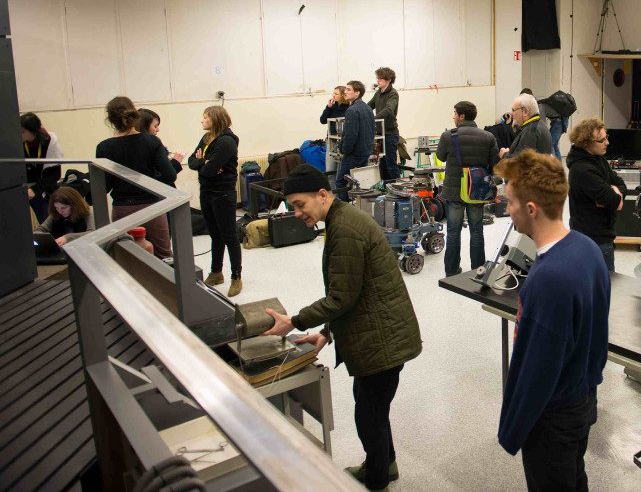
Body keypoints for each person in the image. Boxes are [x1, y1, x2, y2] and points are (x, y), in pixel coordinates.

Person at [262, 164, 422, 491]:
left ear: (322, 195)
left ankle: (377, 480)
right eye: (293, 207)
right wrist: (326, 333)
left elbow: (340, 298)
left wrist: (294, 321)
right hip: (379, 331)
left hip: (383, 339)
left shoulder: (345, 228)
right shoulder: (341, 219)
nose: (296, 213)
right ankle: (385, 464)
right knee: (372, 407)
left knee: (369, 414)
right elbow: (352, 290)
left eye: (300, 205)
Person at [495, 149, 610, 491]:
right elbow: (597, 338)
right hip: (581, 401)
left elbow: (536, 370)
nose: (506, 209)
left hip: (552, 419)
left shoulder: (548, 280)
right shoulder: (587, 249)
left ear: (531, 209)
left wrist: (513, 428)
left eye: (510, 202)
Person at [95, 97, 177, 259]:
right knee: (164, 257)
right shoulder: (152, 141)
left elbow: (104, 186)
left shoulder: (104, 147)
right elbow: (170, 175)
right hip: (152, 207)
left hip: (122, 208)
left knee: (126, 257)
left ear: (110, 120)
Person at [435, 101, 499, 277]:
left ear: (462, 116)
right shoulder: (488, 137)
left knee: (453, 232)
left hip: (454, 192)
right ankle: (478, 271)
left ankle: (451, 271)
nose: (453, 117)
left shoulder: (448, 136)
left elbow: (440, 156)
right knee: (477, 231)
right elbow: (494, 165)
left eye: (455, 114)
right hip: (476, 191)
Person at [188, 106, 242, 296]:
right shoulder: (207, 138)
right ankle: (216, 272)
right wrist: (204, 162)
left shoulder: (227, 141)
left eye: (205, 117)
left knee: (229, 236)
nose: (202, 121)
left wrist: (205, 164)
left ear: (216, 119)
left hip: (222, 194)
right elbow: (191, 162)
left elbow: (209, 171)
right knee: (215, 235)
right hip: (206, 192)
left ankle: (236, 277)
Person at [566, 118, 626, 272]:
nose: (607, 143)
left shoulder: (598, 159)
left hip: (602, 235)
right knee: (603, 282)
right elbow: (616, 202)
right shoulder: (583, 170)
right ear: (586, 143)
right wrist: (615, 193)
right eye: (602, 140)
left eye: (607, 137)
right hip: (593, 240)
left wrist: (615, 190)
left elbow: (620, 183)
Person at [20, 112, 64, 222]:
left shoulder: (49, 142)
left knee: (46, 219)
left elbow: (55, 175)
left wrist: (35, 189)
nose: (19, 135)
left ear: (33, 131)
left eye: (23, 132)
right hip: (24, 186)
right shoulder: (20, 143)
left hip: (42, 187)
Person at [336, 80, 374, 200]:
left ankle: (345, 208)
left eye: (348, 89)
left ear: (357, 93)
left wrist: (344, 150)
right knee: (360, 183)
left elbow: (350, 135)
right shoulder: (368, 108)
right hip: (365, 152)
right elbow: (372, 130)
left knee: (341, 182)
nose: (345, 92)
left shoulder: (352, 110)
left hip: (353, 154)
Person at [367, 67, 400, 181]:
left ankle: (396, 188)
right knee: (382, 166)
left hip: (390, 134)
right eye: (378, 78)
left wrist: (374, 119)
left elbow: (389, 109)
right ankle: (385, 188)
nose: (378, 81)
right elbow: (369, 106)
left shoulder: (393, 93)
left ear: (389, 80)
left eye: (380, 79)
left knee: (391, 165)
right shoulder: (378, 93)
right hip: (380, 134)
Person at [137, 108, 186, 183]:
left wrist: (166, 162)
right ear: (145, 127)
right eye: (155, 126)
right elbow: (164, 177)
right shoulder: (150, 146)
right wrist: (175, 162)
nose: (158, 130)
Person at [500, 93, 552, 158]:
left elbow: (522, 161)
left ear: (525, 112)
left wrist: (504, 155)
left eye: (514, 110)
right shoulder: (539, 125)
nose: (511, 113)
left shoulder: (531, 131)